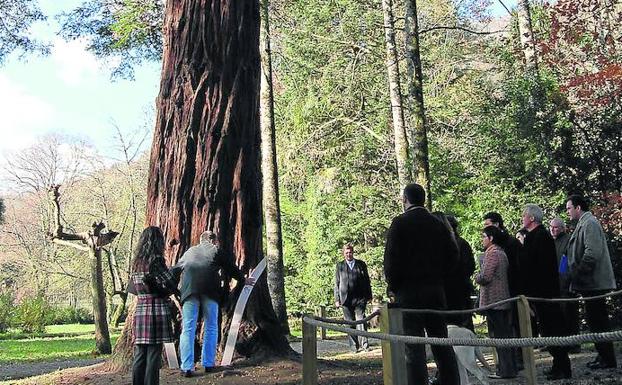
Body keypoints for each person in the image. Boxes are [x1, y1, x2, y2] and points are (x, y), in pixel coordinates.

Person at [384, 183, 460, 385]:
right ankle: (451, 381)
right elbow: (453, 255)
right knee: (441, 342)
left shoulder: (400, 223)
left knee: (414, 347)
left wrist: (393, 285)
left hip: (409, 293)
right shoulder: (438, 224)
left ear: (405, 200)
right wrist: (440, 276)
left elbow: (392, 259)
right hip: (435, 291)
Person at [171, 231, 255, 377]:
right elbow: (230, 268)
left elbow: (176, 269)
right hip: (210, 291)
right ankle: (208, 363)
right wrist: (243, 279)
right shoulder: (216, 250)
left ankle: (186, 367)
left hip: (189, 291)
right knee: (211, 326)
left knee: (188, 328)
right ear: (213, 241)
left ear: (200, 240)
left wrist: (172, 289)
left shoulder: (190, 251)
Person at [566, 195, 617, 369]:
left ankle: (607, 358)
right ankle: (602, 355)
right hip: (589, 283)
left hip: (593, 282)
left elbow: (592, 254)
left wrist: (578, 273)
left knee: (599, 321)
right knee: (595, 321)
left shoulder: (590, 223)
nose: (568, 212)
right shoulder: (584, 224)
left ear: (578, 208)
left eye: (569, 208)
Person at [521, 204, 572, 379]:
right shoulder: (538, 236)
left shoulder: (539, 237)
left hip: (544, 293)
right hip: (542, 292)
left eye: (524, 215)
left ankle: (562, 366)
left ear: (532, 218)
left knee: (552, 329)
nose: (522, 218)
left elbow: (536, 267)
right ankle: (560, 365)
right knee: (549, 329)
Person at [130, 226, 179, 385]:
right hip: (156, 308)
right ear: (158, 241)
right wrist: (175, 271)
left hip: (141, 309)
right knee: (153, 354)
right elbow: (170, 284)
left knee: (140, 353)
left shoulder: (136, 262)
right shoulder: (156, 260)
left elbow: (133, 288)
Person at [476, 225, 517, 379]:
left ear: (491, 238)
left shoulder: (492, 253)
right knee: (504, 335)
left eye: (484, 236)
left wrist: (477, 277)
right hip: (502, 301)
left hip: (495, 302)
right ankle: (508, 368)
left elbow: (485, 277)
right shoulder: (501, 253)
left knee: (500, 337)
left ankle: (505, 370)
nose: (482, 239)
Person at [334, 243, 373, 352]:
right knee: (349, 323)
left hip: (360, 298)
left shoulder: (361, 264)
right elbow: (336, 283)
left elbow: (367, 280)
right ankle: (353, 347)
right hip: (345, 299)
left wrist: (369, 295)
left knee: (361, 321)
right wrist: (337, 299)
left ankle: (365, 345)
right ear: (343, 254)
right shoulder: (340, 266)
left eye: (350, 252)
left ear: (353, 252)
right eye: (346, 253)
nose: (348, 254)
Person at [550, 217, 580, 352]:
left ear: (562, 228)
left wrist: (568, 281)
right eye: (551, 226)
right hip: (556, 284)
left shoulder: (568, 241)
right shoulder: (551, 242)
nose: (552, 229)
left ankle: (574, 343)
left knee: (570, 315)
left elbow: (568, 262)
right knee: (560, 316)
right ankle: (563, 342)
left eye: (555, 227)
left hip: (567, 284)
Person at [442, 214, 476, 331]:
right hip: (459, 289)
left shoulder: (459, 244)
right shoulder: (462, 243)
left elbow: (469, 267)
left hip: (455, 290)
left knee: (459, 323)